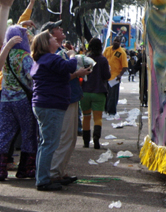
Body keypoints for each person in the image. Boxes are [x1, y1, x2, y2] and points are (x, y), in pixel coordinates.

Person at [30, 31, 90, 191]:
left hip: (44, 104)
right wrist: (72, 55)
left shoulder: (42, 60)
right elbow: (68, 67)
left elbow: (60, 76)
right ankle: (43, 180)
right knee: (50, 143)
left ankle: (43, 176)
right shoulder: (51, 58)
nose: (55, 39)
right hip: (51, 105)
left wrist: (75, 72)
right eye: (51, 38)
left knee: (45, 143)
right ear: (46, 43)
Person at [45, 21, 84, 186]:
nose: (62, 30)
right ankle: (54, 172)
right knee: (64, 137)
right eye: (58, 28)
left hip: (71, 96)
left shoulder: (61, 51)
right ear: (51, 35)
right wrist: (77, 73)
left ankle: (60, 171)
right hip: (63, 99)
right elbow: (62, 75)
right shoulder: (54, 54)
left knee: (71, 137)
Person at [0, 27, 36, 182]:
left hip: (5, 98)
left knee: (4, 133)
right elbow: (32, 77)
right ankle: (25, 168)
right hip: (22, 99)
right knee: (28, 132)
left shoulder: (6, 54)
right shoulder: (25, 57)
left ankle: (1, 169)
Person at [81, 38, 110, 149]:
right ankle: (96, 139)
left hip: (85, 92)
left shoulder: (85, 59)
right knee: (98, 118)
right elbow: (107, 76)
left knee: (86, 117)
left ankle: (86, 141)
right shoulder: (103, 60)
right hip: (99, 92)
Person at [103, 38, 128, 116]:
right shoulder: (107, 49)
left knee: (113, 95)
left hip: (115, 78)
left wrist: (120, 75)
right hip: (106, 76)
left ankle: (112, 111)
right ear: (112, 41)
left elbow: (125, 66)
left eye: (118, 41)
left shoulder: (121, 53)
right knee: (105, 94)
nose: (116, 42)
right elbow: (103, 60)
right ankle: (105, 109)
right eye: (115, 41)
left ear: (120, 43)